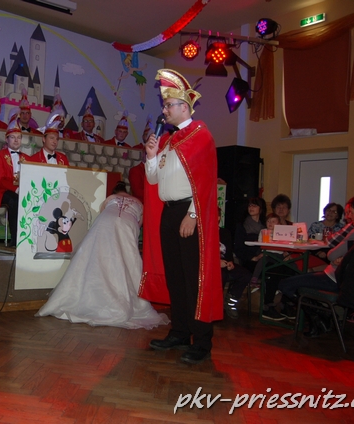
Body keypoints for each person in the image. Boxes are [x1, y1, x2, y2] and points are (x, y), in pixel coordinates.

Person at [143, 69, 222, 365]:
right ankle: (179, 331)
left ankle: (201, 341)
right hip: (170, 213)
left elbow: (206, 183)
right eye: (164, 105)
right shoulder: (167, 141)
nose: (164, 110)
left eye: (168, 105)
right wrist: (151, 156)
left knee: (194, 279)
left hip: (190, 212)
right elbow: (154, 180)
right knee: (175, 277)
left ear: (184, 107)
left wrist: (192, 214)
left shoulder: (201, 137)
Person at [36, 182, 169, 329]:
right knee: (127, 260)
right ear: (127, 192)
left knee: (96, 257)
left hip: (104, 223)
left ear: (114, 192)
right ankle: (125, 298)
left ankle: (90, 296)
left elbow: (103, 212)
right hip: (128, 224)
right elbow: (139, 225)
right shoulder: (138, 202)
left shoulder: (110, 198)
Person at [278, 194, 354, 336]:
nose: (349, 217)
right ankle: (324, 317)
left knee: (285, 284)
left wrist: (340, 258)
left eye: (352, 213)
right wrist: (345, 258)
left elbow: (331, 255)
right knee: (304, 276)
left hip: (335, 278)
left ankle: (322, 316)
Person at [0, 120, 30, 245]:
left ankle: (30, 237)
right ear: (6, 139)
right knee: (15, 200)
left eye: (19, 137)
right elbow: (0, 179)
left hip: (22, 190)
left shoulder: (27, 158)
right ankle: (15, 240)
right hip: (3, 191)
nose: (16, 140)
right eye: (13, 137)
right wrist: (16, 189)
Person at [234, 197, 267, 274]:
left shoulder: (265, 226)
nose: (251, 208)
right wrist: (252, 258)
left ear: (261, 209)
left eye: (254, 206)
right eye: (249, 205)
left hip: (264, 257)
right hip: (249, 259)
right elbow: (238, 248)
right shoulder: (242, 225)